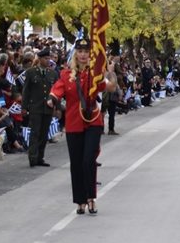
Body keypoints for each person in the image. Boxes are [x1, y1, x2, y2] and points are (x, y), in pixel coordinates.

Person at [49, 38, 117, 215]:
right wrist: (52, 100)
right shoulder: (66, 74)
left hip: (93, 120)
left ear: (90, 54)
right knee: (77, 163)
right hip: (73, 122)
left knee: (89, 160)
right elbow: (57, 90)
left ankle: (91, 198)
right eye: (80, 51)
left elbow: (110, 87)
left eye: (86, 52)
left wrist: (110, 73)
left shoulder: (94, 73)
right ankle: (79, 200)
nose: (83, 55)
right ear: (75, 54)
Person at [21, 47, 58, 168]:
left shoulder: (52, 73)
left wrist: (56, 106)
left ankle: (40, 157)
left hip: (47, 108)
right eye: (46, 58)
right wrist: (24, 107)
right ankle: (32, 157)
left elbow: (56, 91)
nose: (48, 61)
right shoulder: (31, 72)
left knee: (44, 134)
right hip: (35, 107)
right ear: (40, 59)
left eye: (49, 58)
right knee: (35, 133)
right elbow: (26, 91)